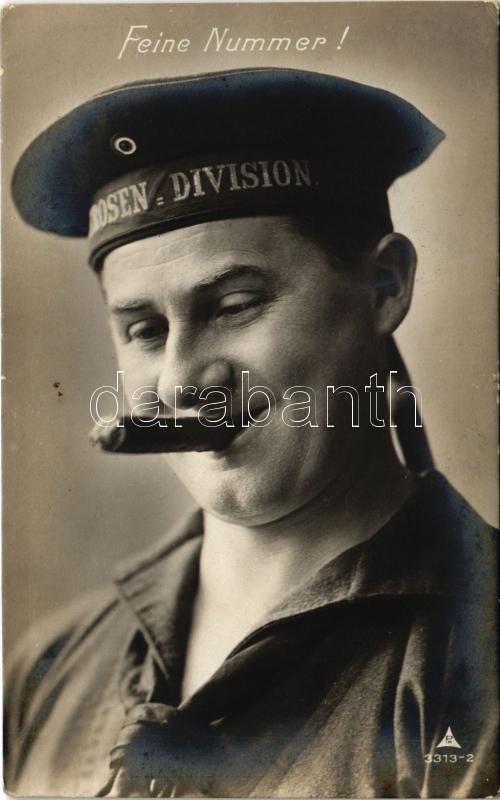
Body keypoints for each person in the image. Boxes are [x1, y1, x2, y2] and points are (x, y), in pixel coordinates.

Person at [4, 68, 497, 798]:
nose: (178, 382)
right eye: (143, 329)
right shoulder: (46, 670)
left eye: (235, 305)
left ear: (384, 287)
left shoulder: (475, 665)